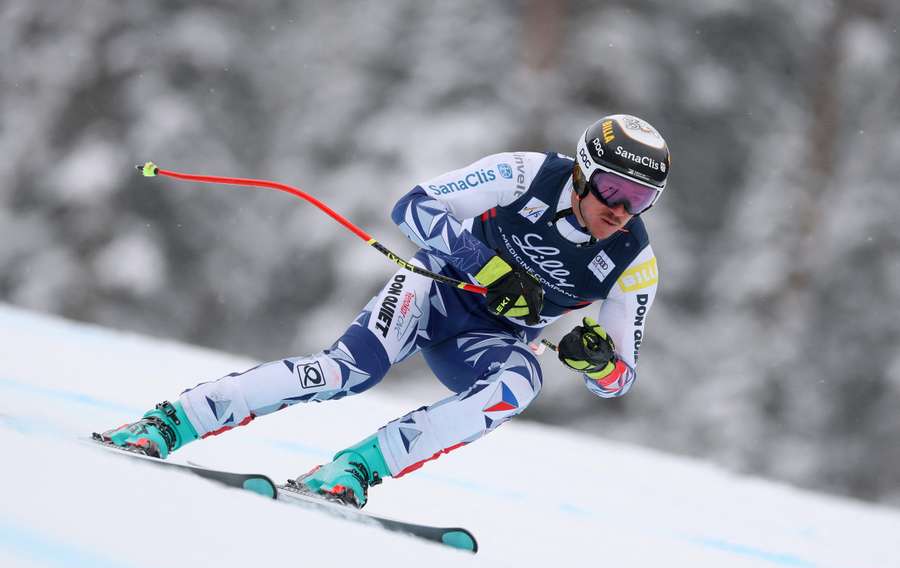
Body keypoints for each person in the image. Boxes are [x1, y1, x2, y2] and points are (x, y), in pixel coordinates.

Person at [98, 114, 670, 508]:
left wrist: (596, 363)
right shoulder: (527, 173)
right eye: (614, 190)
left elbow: (620, 382)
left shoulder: (633, 261)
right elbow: (413, 207)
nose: (623, 210)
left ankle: (356, 469)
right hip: (430, 297)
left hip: (486, 341)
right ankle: (169, 423)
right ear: (582, 172)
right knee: (343, 373)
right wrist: (492, 270)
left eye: (642, 199)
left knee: (521, 382)